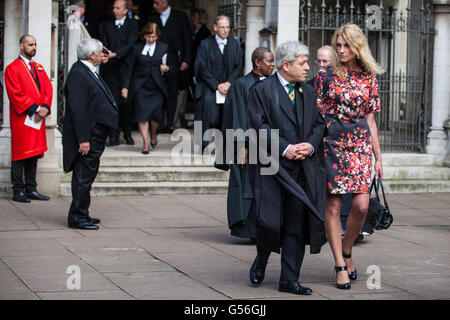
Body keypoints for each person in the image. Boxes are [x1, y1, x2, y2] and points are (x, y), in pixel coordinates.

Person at [247, 41, 327, 295]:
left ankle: (289, 279)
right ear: (286, 65)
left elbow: (319, 124)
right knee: (269, 222)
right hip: (272, 166)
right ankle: (262, 257)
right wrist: (284, 148)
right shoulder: (261, 90)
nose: (308, 67)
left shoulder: (308, 91)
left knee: (295, 223)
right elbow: (257, 127)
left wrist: (310, 146)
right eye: (303, 63)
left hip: (301, 168)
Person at [315, 23, 384, 290]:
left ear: (357, 48)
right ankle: (340, 265)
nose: (341, 50)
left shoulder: (369, 77)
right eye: (338, 45)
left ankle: (346, 250)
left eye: (346, 46)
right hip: (332, 144)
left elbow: (371, 119)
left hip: (360, 145)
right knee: (332, 207)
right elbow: (317, 114)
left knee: (361, 206)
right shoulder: (326, 75)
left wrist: (378, 157)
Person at [219, 47, 274, 241]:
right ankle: (250, 231)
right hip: (248, 146)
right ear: (258, 63)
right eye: (270, 61)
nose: (273, 64)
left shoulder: (274, 84)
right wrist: (241, 147)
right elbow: (237, 116)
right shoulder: (241, 85)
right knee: (248, 187)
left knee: (267, 188)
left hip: (270, 144)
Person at [63, 38, 119, 230]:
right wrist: (84, 138)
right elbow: (78, 109)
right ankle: (77, 217)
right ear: (92, 55)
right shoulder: (79, 74)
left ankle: (82, 212)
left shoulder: (88, 70)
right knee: (82, 176)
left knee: (87, 175)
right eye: (100, 51)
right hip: (88, 135)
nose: (103, 54)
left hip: (95, 134)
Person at [4, 35, 53, 203]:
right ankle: (18, 190)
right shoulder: (12, 68)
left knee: (34, 152)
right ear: (21, 46)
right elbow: (15, 93)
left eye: (35, 45)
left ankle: (31, 188)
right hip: (23, 117)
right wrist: (37, 109)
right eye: (30, 44)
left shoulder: (38, 67)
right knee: (20, 154)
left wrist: (45, 108)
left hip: (38, 118)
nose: (34, 47)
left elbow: (48, 87)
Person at [194, 15, 243, 149]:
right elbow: (201, 67)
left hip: (229, 86)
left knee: (228, 115)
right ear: (215, 28)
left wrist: (229, 83)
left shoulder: (234, 44)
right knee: (211, 116)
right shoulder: (205, 44)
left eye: (228, 27)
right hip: (210, 87)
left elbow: (239, 66)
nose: (225, 30)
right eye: (222, 27)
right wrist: (216, 85)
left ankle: (226, 146)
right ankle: (204, 144)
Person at [122, 23, 170, 154]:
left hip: (157, 87)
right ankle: (145, 143)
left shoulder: (164, 47)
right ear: (144, 35)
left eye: (154, 36)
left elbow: (172, 66)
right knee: (142, 115)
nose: (151, 39)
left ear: (157, 36)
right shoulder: (137, 48)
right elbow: (129, 68)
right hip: (140, 87)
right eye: (149, 36)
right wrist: (125, 87)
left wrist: (167, 68)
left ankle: (153, 134)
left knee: (155, 116)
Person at [147, 0, 193, 132]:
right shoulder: (152, 17)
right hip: (155, 58)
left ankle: (170, 124)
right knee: (158, 91)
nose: (154, 5)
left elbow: (187, 40)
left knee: (172, 92)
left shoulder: (180, 16)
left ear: (164, 2)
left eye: (156, 3)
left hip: (174, 59)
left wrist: (186, 60)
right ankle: (159, 123)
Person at [99, 0, 139, 146]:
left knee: (126, 104)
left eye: (117, 7)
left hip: (128, 68)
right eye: (113, 7)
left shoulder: (133, 25)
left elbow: (131, 45)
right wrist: (106, 54)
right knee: (112, 103)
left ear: (125, 10)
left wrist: (115, 54)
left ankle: (128, 134)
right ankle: (113, 136)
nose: (114, 10)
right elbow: (103, 42)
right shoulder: (106, 25)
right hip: (110, 70)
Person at [67, 0, 92, 70]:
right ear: (81, 8)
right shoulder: (74, 22)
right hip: (76, 59)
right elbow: (74, 45)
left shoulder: (75, 21)